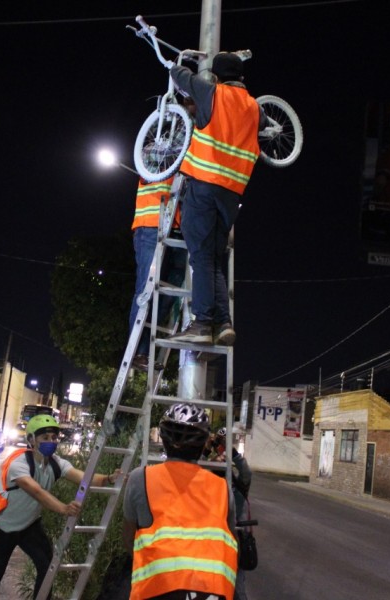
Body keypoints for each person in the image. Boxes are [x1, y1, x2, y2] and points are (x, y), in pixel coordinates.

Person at [166, 52, 266, 347]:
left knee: (200, 257)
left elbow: (181, 78)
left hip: (205, 186)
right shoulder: (254, 108)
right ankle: (223, 323)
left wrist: (174, 64)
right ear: (242, 77)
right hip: (232, 194)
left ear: (218, 76)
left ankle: (202, 323)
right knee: (212, 260)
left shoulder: (212, 93)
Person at [0, 414, 120, 600]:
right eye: (45, 438)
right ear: (31, 439)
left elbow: (84, 478)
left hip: (30, 526)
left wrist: (109, 478)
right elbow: (36, 491)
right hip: (5, 528)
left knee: (47, 568)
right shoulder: (19, 463)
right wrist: (63, 508)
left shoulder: (56, 463)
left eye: (54, 438)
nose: (51, 442)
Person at [122, 403, 238, 600]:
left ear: (165, 440)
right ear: (203, 445)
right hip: (213, 590)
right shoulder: (222, 488)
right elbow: (233, 539)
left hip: (157, 589)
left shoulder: (139, 478)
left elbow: (128, 538)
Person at [129, 175, 187, 372]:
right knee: (146, 291)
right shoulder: (153, 151)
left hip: (178, 230)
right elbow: (149, 171)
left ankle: (144, 351)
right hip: (152, 226)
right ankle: (138, 352)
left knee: (171, 293)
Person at [205, 428, 253, 600]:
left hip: (235, 540)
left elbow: (246, 472)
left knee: (238, 589)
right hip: (214, 541)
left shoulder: (238, 487)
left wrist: (230, 450)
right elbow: (195, 469)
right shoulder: (206, 488)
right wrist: (206, 449)